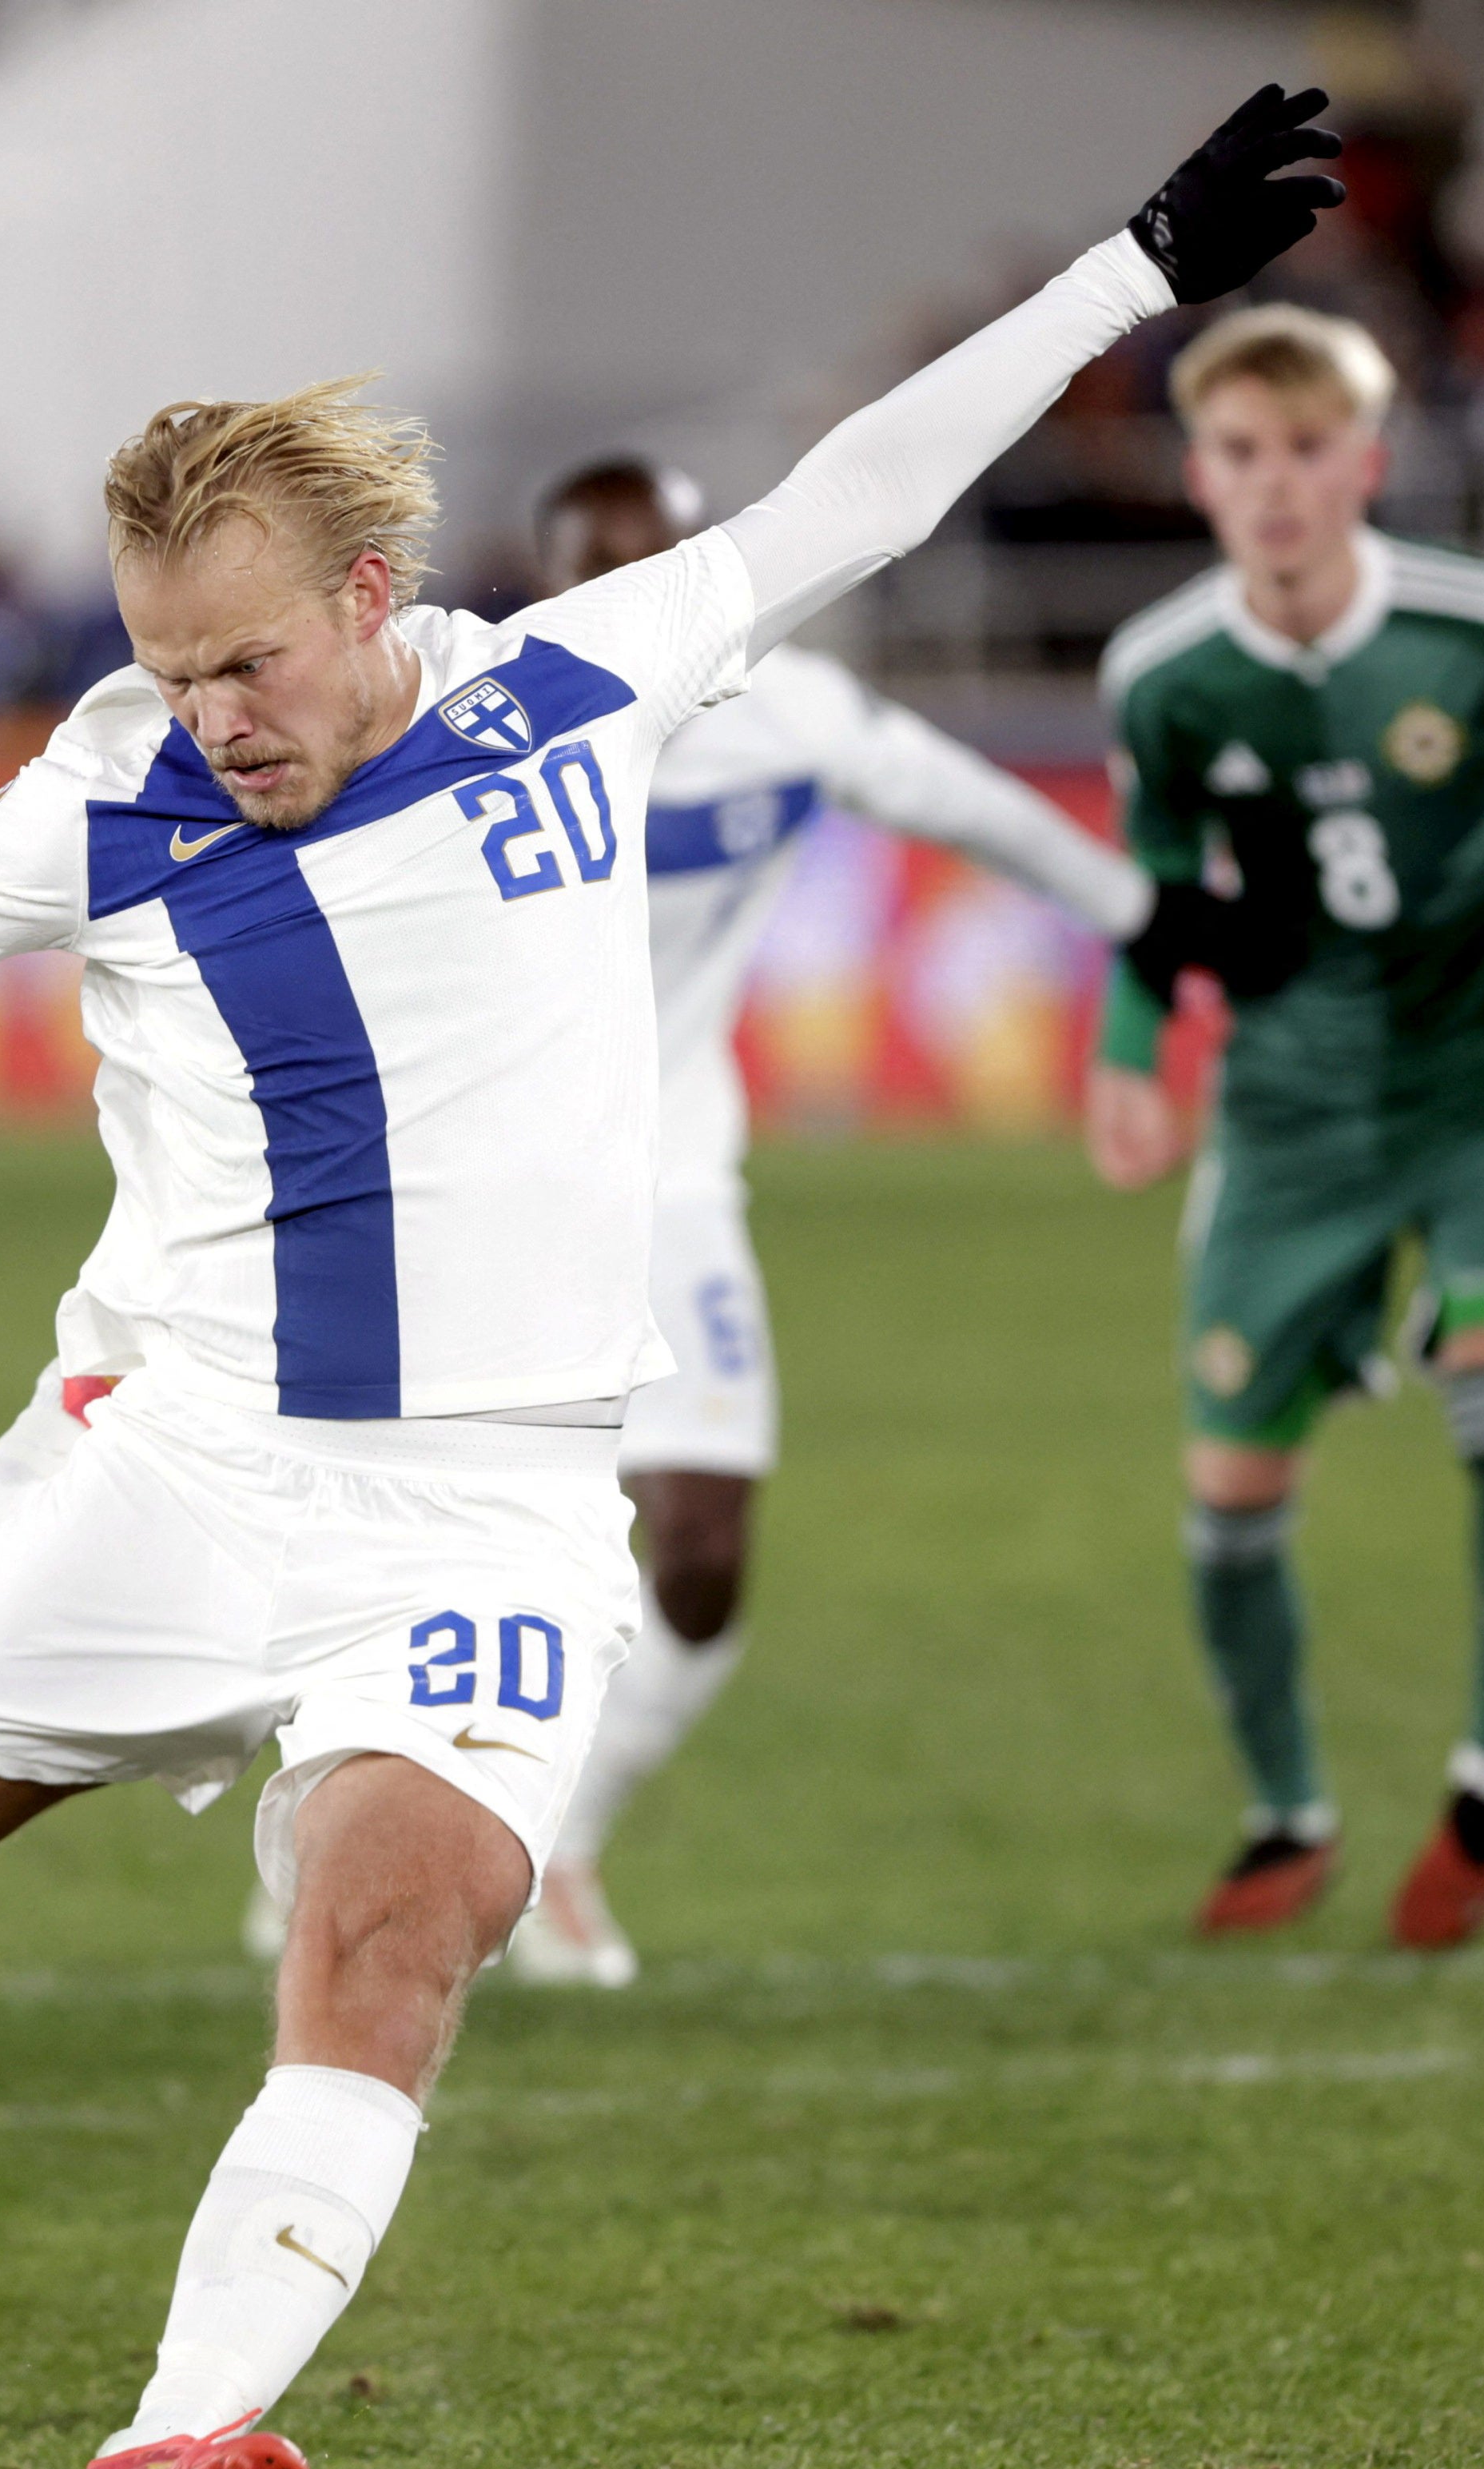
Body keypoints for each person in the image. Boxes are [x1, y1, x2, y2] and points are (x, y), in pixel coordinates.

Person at [0, 86, 1342, 2469]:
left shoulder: (577, 685)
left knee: (393, 1939)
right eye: (167, 665)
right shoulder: (112, 790)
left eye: (244, 659)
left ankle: (171, 2450)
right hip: (190, 1453)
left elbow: (854, 499)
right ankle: (64, 1442)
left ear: (369, 593)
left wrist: (1134, 269)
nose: (210, 712)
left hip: (487, 1502)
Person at [331, 452, 1153, 1988]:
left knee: (701, 1550)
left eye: (654, 569)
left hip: (674, 1182)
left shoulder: (794, 719)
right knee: (422, 1550)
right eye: (594, 575)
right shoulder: (461, 732)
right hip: (474, 1190)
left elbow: (983, 812)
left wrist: (1149, 919)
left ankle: (559, 1836)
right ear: (548, 585)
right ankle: (353, 1838)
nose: (628, 604)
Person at [1083, 301, 1484, 1950]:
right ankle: (1288, 1818)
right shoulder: (1160, 676)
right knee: (1227, 1491)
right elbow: (1163, 881)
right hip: (1289, 1112)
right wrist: (1133, 1046)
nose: (1275, 486)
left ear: (1366, 464)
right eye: (1239, 453)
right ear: (1197, 475)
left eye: (1306, 451)